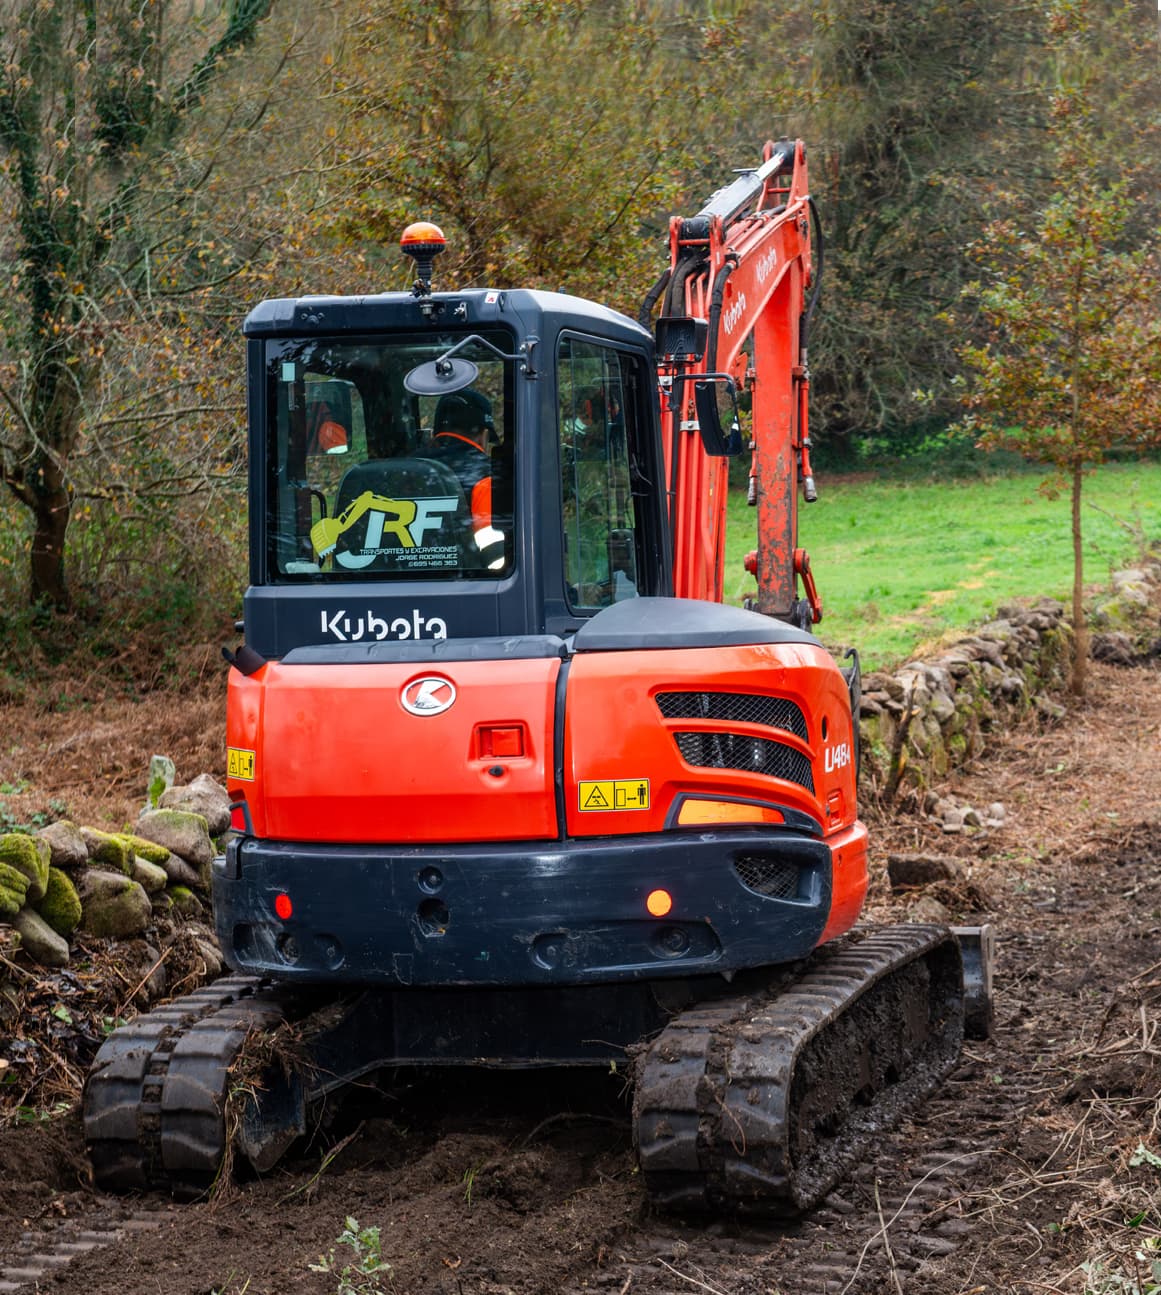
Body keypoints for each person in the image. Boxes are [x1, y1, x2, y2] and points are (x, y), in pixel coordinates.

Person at [428, 388, 494, 530]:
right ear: (484, 437)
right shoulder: (486, 476)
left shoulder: (400, 470)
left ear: (433, 434)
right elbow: (493, 546)